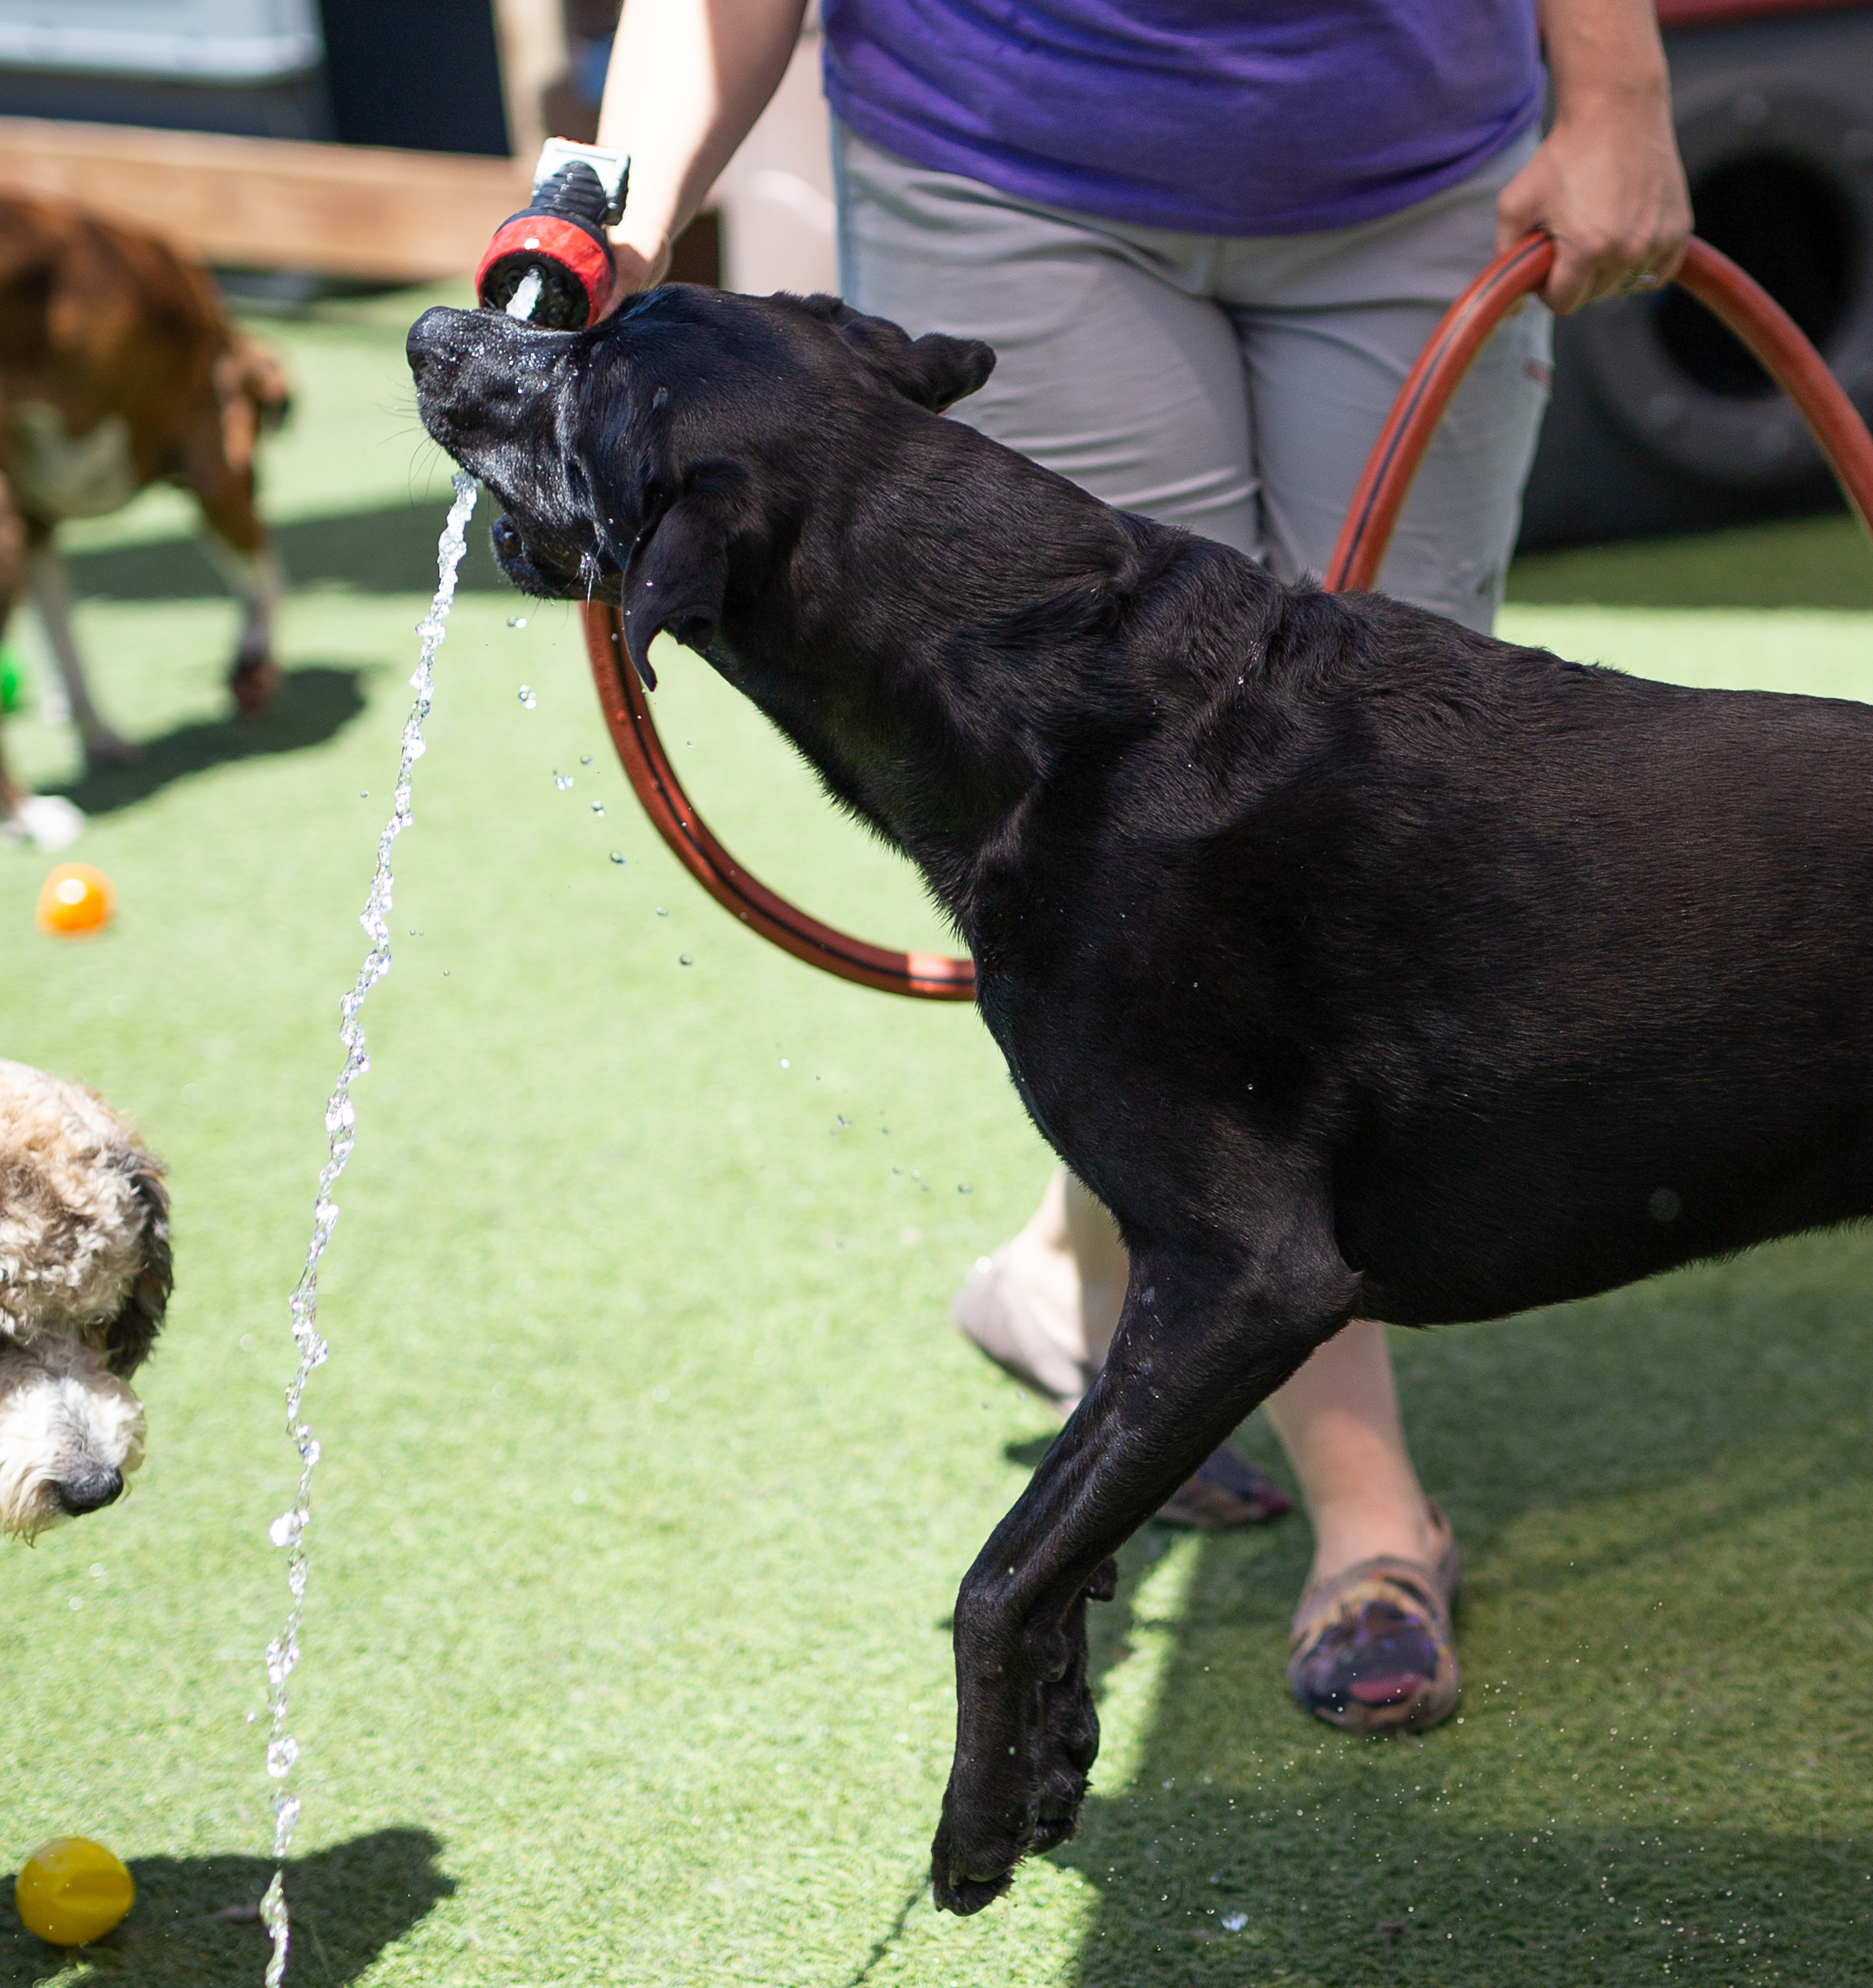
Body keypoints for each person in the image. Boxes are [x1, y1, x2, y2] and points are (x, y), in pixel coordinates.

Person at [590, 0, 1688, 1735]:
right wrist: (623, 204)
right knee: (1201, 885)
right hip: (1016, 172)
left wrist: (1616, 84)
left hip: (1414, 171)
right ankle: (1370, 1512)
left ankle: (1073, 1268)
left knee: (1379, 809)